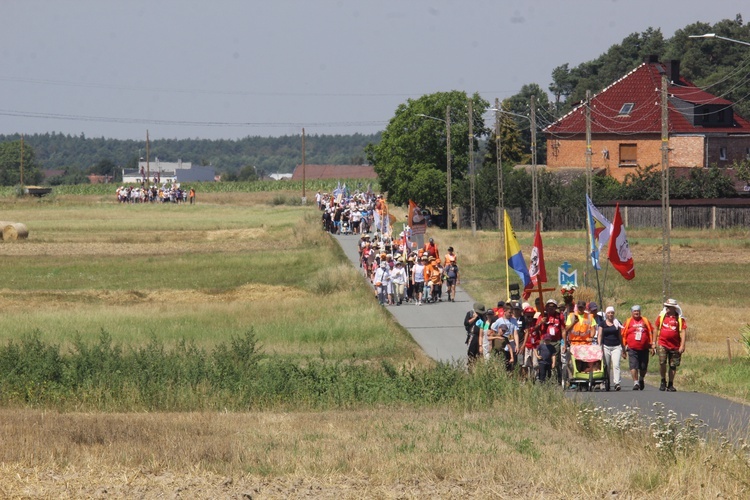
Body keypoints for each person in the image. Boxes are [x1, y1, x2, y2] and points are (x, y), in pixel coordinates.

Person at [654, 298, 687, 392]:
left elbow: (683, 331)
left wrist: (682, 345)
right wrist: (654, 342)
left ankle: (670, 384)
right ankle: (663, 380)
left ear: (673, 308)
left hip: (675, 345)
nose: (666, 308)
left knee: (673, 365)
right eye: (666, 306)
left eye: (668, 306)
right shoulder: (662, 316)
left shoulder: (679, 318)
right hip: (662, 343)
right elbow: (655, 328)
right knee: (662, 362)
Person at [622, 305, 654, 391]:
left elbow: (651, 332)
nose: (636, 313)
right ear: (632, 312)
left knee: (643, 367)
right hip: (632, 348)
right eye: (635, 311)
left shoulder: (645, 321)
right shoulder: (628, 322)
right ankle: (635, 383)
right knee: (633, 365)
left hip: (644, 348)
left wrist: (652, 345)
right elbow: (623, 334)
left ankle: (641, 378)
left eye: (638, 311)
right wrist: (623, 347)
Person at [537, 299, 566, 383]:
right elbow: (535, 329)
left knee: (555, 361)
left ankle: (557, 379)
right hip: (544, 341)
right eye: (549, 306)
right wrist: (541, 322)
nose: (551, 308)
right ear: (546, 307)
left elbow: (563, 329)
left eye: (553, 307)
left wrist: (564, 343)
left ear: (556, 307)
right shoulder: (543, 315)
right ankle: (543, 378)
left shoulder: (559, 316)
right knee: (544, 360)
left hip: (555, 341)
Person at [598, 306, 623, 391]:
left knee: (616, 365)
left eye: (612, 313)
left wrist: (623, 347)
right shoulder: (602, 324)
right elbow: (600, 335)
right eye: (609, 313)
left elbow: (620, 335)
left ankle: (617, 383)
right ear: (606, 314)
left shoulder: (617, 323)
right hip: (606, 347)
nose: (610, 314)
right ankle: (606, 381)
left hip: (616, 346)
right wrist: (599, 345)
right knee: (607, 365)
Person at [466, 303, 489, 369]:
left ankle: (477, 369)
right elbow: (466, 323)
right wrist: (474, 318)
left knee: (479, 355)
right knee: (471, 353)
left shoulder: (484, 317)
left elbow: (486, 327)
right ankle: (470, 368)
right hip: (472, 337)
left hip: (481, 336)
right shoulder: (470, 314)